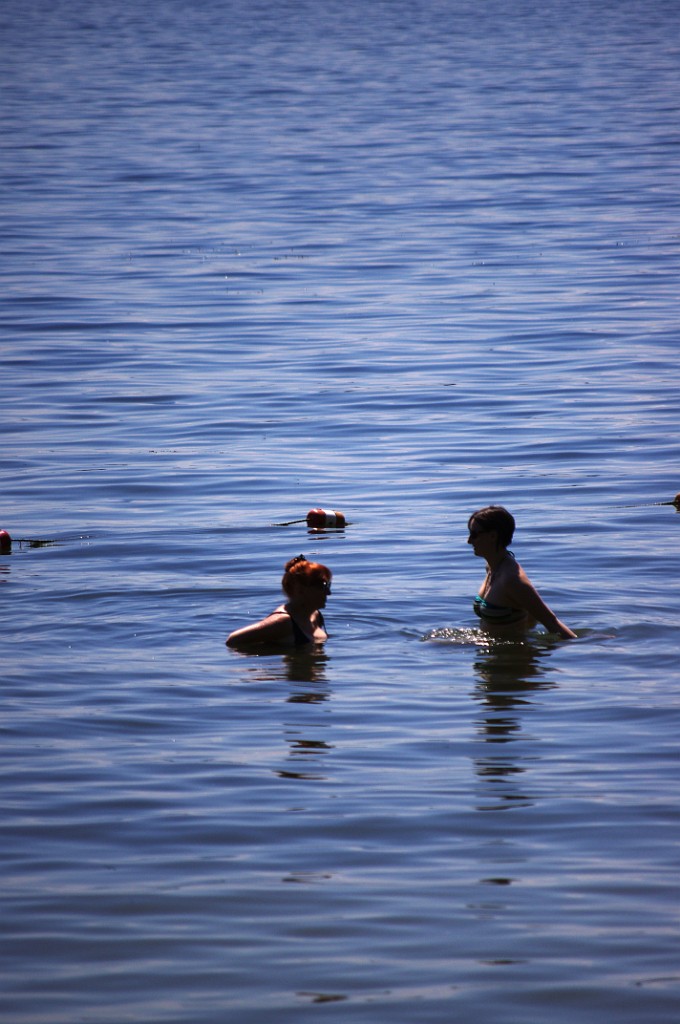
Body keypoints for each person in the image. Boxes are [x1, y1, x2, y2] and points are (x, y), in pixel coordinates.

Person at [467, 506, 576, 639]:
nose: (469, 541)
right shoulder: (492, 568)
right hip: (492, 654)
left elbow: (552, 623)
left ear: (493, 536)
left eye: (474, 534)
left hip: (512, 657)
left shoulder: (512, 580)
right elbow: (529, 618)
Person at [226, 555, 331, 649]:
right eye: (323, 586)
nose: (328, 592)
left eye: (328, 585)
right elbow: (233, 640)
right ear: (301, 589)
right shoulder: (284, 622)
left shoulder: (315, 615)